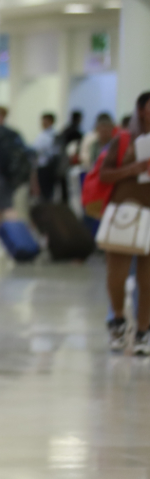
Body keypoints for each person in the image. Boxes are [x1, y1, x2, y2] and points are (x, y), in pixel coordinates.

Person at [95, 92, 150, 355]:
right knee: (116, 277)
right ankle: (117, 320)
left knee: (148, 280)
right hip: (125, 215)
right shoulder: (124, 139)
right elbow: (104, 175)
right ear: (140, 110)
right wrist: (134, 169)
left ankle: (143, 331)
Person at [0, 106, 34, 219]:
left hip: (1, 174)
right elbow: (27, 153)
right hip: (11, 176)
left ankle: (4, 231)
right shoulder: (13, 134)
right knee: (6, 205)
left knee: (4, 207)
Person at [34, 112, 62, 203]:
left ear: (51, 122)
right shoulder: (42, 134)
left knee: (47, 191)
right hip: (40, 165)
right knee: (41, 191)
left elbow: (55, 151)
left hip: (48, 166)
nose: (43, 123)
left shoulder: (54, 135)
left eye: (45, 121)